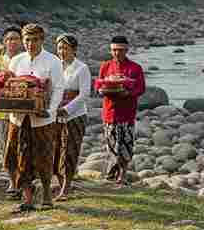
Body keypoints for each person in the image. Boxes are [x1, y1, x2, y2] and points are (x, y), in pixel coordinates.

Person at [5, 24, 65, 212]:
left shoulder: (53, 61)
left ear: (42, 40)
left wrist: (52, 110)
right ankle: (27, 198)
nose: (30, 44)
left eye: (35, 40)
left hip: (43, 119)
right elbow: (8, 86)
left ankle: (47, 196)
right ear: (23, 41)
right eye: (27, 40)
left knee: (44, 157)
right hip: (18, 118)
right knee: (15, 156)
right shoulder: (16, 60)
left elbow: (58, 89)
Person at [98, 35, 146, 185]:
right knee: (112, 145)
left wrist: (128, 93)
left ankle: (122, 175)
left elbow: (141, 88)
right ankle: (112, 173)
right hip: (109, 112)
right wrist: (101, 90)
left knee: (126, 146)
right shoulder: (105, 66)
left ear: (126, 50)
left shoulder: (135, 68)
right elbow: (98, 85)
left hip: (127, 113)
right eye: (114, 50)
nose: (116, 53)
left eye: (120, 50)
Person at [54, 34, 92, 201]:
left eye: (66, 48)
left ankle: (66, 187)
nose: (62, 51)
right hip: (55, 114)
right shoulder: (55, 66)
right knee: (56, 149)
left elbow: (84, 94)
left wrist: (67, 109)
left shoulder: (81, 68)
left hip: (74, 115)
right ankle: (60, 182)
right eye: (60, 48)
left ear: (74, 50)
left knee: (70, 150)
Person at [0, 25, 24, 197]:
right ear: (4, 42)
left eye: (15, 38)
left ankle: (23, 181)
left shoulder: (25, 59)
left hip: (21, 109)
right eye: (8, 39)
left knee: (21, 146)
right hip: (2, 111)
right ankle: (12, 181)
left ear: (20, 42)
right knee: (6, 147)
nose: (11, 42)